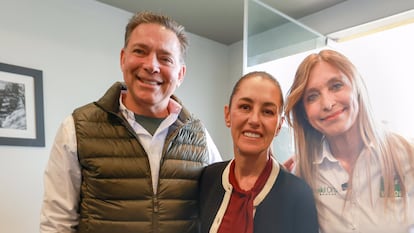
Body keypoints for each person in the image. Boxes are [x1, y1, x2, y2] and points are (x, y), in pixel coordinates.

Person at [40, 11, 221, 233]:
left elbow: (225, 204)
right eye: (140, 51)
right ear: (123, 59)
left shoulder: (199, 135)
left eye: (165, 58)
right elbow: (57, 223)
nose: (151, 65)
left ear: (181, 74)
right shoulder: (77, 128)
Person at [284, 49, 414, 233]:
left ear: (356, 88)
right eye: (312, 96)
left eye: (336, 86)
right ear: (304, 113)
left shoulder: (407, 154)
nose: (328, 104)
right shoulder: (303, 171)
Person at [199, 71, 319, 233]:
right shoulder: (209, 178)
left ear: (278, 125)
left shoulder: (297, 194)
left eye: (267, 111)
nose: (254, 120)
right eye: (245, 107)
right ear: (227, 115)